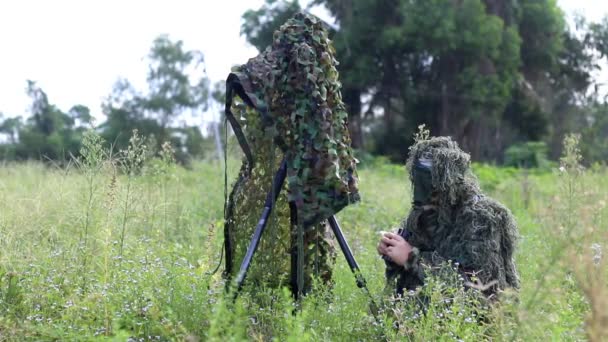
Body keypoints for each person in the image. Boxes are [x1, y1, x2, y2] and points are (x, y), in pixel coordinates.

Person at [377, 135, 520, 300]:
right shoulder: (424, 213)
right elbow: (407, 265)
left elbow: (478, 286)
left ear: (449, 183)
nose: (420, 195)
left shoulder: (482, 218)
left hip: (473, 318)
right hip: (423, 312)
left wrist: (411, 258)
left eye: (430, 186)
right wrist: (392, 250)